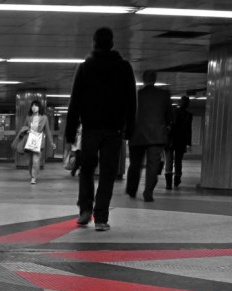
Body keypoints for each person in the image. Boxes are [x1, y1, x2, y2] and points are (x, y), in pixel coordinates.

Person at [66, 27, 136, 231]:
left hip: (90, 129)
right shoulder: (124, 68)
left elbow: (75, 103)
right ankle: (102, 218)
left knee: (86, 169)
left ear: (94, 43)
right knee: (107, 173)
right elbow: (132, 101)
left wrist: (70, 133)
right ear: (112, 44)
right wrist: (130, 130)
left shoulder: (85, 68)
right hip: (114, 130)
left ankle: (85, 210)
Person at [126, 70, 172, 202]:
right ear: (155, 79)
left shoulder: (136, 95)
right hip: (156, 136)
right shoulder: (164, 95)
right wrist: (166, 126)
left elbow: (129, 115)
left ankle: (131, 190)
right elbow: (169, 115)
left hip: (137, 135)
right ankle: (148, 193)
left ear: (143, 80)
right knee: (153, 165)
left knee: (135, 164)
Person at [13, 100, 55, 184]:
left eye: (36, 106)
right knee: (31, 161)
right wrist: (27, 130)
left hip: (39, 142)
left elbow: (47, 131)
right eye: (32, 106)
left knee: (36, 161)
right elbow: (24, 126)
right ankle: (31, 174)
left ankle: (33, 177)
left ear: (39, 108)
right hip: (29, 141)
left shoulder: (44, 118)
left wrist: (51, 142)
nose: (34, 107)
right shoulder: (28, 117)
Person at [165, 95, 193, 190]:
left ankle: (169, 184)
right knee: (178, 161)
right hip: (180, 141)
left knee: (169, 161)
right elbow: (188, 130)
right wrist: (188, 143)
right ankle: (176, 180)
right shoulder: (188, 115)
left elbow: (168, 125)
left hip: (170, 140)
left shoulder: (173, 111)